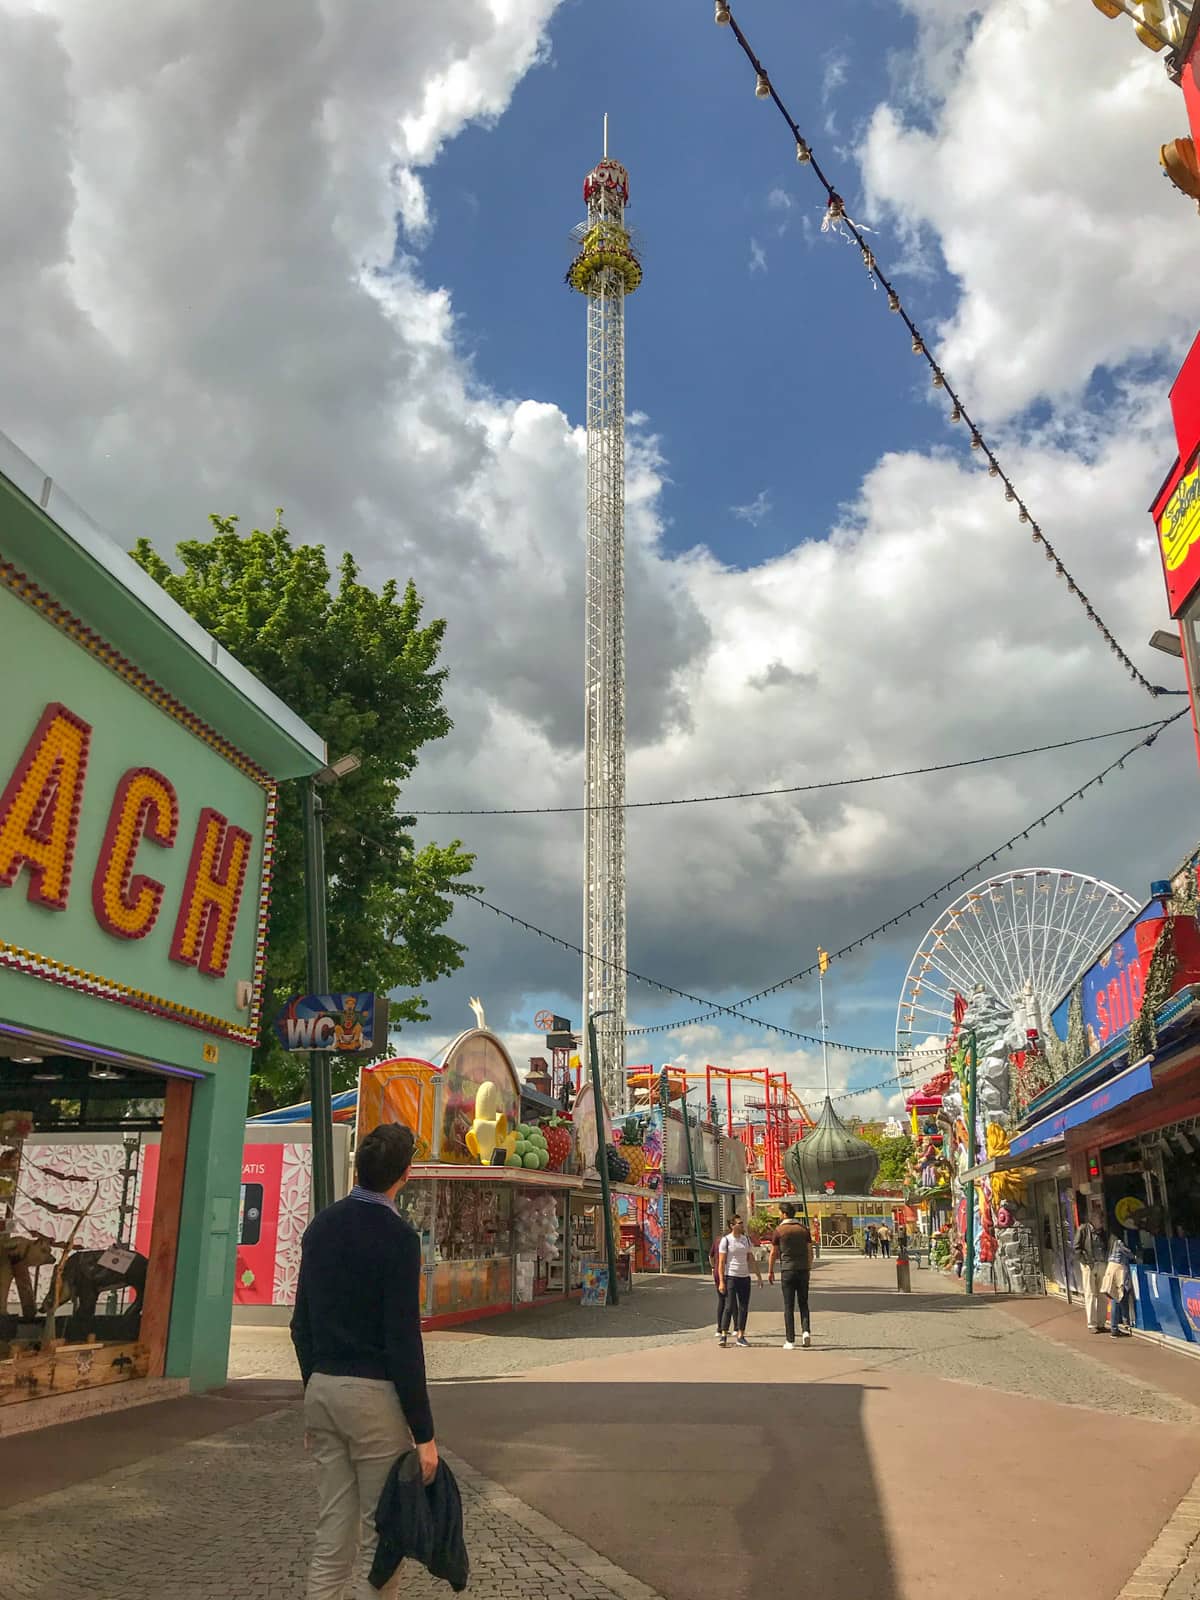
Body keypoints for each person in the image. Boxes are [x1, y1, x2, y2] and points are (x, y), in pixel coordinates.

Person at [292, 1123, 438, 1600]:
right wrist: (424, 1433)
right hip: (373, 1397)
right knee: (384, 1533)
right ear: (406, 1174)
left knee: (332, 1531)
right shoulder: (398, 1237)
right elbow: (402, 1340)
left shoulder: (322, 1227)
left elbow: (301, 1323)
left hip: (324, 1390)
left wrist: (314, 1384)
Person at [768, 1202, 815, 1350]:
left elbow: (773, 1253)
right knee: (804, 1303)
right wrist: (808, 1267)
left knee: (789, 1306)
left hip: (787, 1270)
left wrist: (770, 1271)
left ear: (784, 1214)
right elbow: (810, 1251)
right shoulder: (803, 1229)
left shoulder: (779, 1230)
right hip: (803, 1270)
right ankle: (806, 1332)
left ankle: (790, 1340)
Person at [717, 1214, 763, 1347]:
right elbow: (721, 1262)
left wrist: (758, 1276)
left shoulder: (745, 1240)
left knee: (744, 1306)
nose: (742, 1225)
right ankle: (724, 1334)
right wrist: (721, 1281)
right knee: (729, 1306)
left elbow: (751, 1258)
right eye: (739, 1223)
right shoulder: (726, 1240)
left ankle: (740, 1335)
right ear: (732, 1226)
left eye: (742, 1223)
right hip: (731, 1276)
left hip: (744, 1277)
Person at [1072, 1202, 1109, 1334]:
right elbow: (1076, 1248)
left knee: (1103, 1294)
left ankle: (1101, 1322)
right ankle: (1091, 1324)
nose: (1102, 1221)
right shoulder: (1083, 1229)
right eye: (1100, 1218)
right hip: (1089, 1265)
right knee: (1090, 1294)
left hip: (1102, 1264)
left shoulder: (1103, 1232)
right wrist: (1085, 1262)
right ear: (1093, 1218)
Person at [709, 1216, 739, 1339]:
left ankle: (719, 1328)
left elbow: (710, 1256)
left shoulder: (717, 1240)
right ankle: (736, 1327)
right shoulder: (730, 1241)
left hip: (717, 1271)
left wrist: (712, 1267)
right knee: (732, 1301)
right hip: (728, 1272)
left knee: (722, 1300)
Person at [1102, 1233, 1136, 1338]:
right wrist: (1135, 1256)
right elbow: (1128, 1253)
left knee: (1119, 1297)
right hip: (1117, 1271)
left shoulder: (1110, 1242)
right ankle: (1115, 1329)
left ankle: (1124, 1322)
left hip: (1110, 1269)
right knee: (1117, 1298)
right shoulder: (1119, 1242)